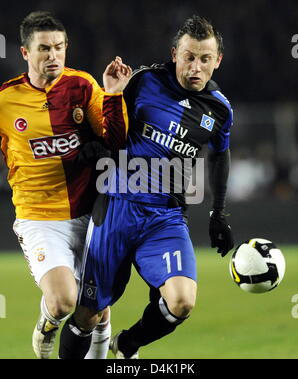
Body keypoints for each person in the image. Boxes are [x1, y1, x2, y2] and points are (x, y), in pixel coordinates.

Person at [58, 15, 234, 359]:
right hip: (116, 207)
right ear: (174, 54)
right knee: (87, 314)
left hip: (165, 217)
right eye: (188, 57)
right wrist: (92, 143)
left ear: (217, 61)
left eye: (204, 59)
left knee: (182, 301)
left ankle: (126, 345)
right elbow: (107, 123)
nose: (195, 67)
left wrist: (219, 212)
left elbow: (219, 156)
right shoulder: (143, 82)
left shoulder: (220, 109)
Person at [0, 11, 132, 359]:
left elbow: (116, 141)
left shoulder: (83, 85)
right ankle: (46, 323)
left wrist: (115, 95)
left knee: (98, 310)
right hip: (40, 217)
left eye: (59, 47)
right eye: (44, 48)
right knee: (63, 303)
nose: (53, 55)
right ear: (26, 53)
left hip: (91, 212)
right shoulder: (6, 100)